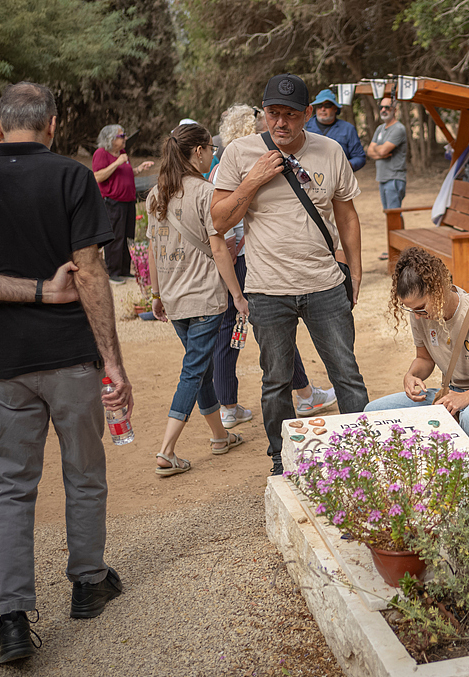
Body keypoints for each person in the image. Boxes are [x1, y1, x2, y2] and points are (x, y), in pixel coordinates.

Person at [0, 81, 132, 664]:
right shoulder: (71, 176)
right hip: (72, 356)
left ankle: (13, 621)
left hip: (2, 361)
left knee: (12, 488)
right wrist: (112, 360)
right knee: (85, 472)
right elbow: (93, 275)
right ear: (52, 123)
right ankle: (88, 583)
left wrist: (35, 293)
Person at [211, 73, 368, 474]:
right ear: (263, 113)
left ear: (308, 114)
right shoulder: (239, 154)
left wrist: (355, 266)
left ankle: (365, 455)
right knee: (276, 381)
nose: (280, 123)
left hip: (325, 285)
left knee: (346, 374)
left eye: (291, 115)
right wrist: (253, 180)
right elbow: (219, 219)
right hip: (267, 289)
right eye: (272, 113)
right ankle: (283, 459)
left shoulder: (331, 151)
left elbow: (346, 214)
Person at [210, 104, 336, 427]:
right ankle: (234, 404)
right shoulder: (240, 163)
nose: (270, 129)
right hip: (241, 262)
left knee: (257, 336)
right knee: (236, 334)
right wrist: (237, 289)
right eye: (261, 122)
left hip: (247, 260)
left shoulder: (254, 161)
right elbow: (220, 226)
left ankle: (297, 393)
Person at [146, 123, 248, 476]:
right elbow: (219, 249)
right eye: (211, 149)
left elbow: (152, 250)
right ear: (199, 151)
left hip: (173, 298)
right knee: (193, 371)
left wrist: (155, 294)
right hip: (204, 298)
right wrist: (238, 295)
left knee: (200, 368)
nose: (214, 155)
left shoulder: (155, 194)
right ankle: (166, 450)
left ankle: (220, 436)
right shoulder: (207, 193)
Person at [364, 247, 469, 451]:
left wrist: (466, 397)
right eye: (410, 309)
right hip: (453, 394)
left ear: (438, 290)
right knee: (375, 412)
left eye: (420, 308)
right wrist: (411, 375)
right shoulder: (420, 314)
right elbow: (424, 360)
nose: (416, 316)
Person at [92, 124, 154, 285]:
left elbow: (125, 173)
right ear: (110, 139)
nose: (125, 138)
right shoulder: (101, 154)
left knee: (128, 236)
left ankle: (125, 270)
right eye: (122, 136)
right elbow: (97, 176)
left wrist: (139, 169)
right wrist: (117, 162)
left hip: (128, 201)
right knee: (115, 237)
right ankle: (113, 272)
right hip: (113, 202)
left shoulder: (122, 153)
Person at [305, 89, 366, 172]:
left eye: (327, 105)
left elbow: (360, 157)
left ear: (335, 108)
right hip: (309, 179)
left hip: (339, 180)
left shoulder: (348, 129)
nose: (323, 109)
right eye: (319, 106)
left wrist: (346, 165)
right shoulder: (304, 127)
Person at [366, 96, 407, 210]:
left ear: (395, 110)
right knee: (389, 214)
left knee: (394, 214)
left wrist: (379, 150)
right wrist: (381, 153)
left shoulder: (398, 128)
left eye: (387, 107)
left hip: (394, 179)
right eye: (381, 107)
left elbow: (384, 150)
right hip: (382, 178)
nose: (383, 110)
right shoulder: (380, 128)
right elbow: (369, 151)